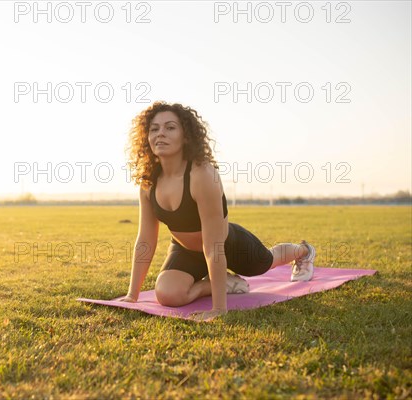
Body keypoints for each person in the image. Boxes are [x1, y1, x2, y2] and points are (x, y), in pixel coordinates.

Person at [119, 101, 316, 322]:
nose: (160, 134)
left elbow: (213, 246)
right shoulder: (149, 183)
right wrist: (132, 295)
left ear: (186, 136)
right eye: (154, 129)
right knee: (167, 294)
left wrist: (219, 308)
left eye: (170, 127)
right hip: (186, 250)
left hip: (226, 245)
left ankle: (303, 251)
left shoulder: (202, 174)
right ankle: (218, 284)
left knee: (267, 261)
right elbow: (146, 239)